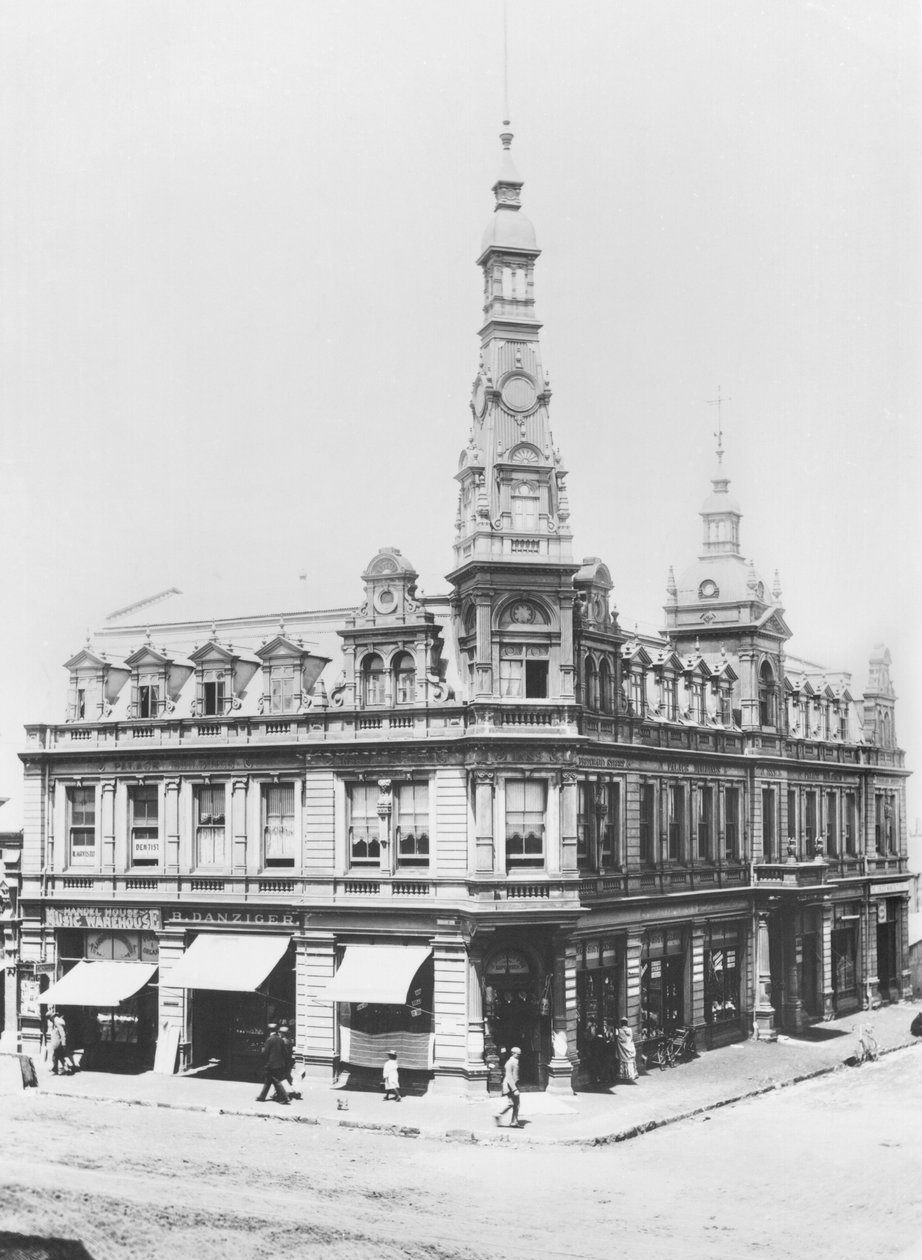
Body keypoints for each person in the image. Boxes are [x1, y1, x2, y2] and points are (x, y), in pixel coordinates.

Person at [255, 1022, 290, 1104]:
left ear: (269, 1030)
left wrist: (264, 1063)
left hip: (271, 1065)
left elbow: (265, 1053)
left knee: (276, 1080)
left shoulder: (269, 1039)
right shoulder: (280, 1040)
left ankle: (284, 1097)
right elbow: (285, 1053)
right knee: (268, 1080)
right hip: (279, 1064)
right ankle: (261, 1097)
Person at [495, 1046, 522, 1127]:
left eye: (520, 1054)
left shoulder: (516, 1061)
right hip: (509, 1086)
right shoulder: (509, 1063)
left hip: (514, 1085)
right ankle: (498, 1114)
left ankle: (514, 1122)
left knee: (516, 1104)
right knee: (512, 1103)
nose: (519, 1055)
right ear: (513, 1053)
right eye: (518, 1054)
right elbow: (509, 1077)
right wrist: (514, 1089)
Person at [50, 1011, 77, 1075]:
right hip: (58, 1043)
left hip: (58, 1043)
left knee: (56, 1056)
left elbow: (62, 1034)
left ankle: (65, 1068)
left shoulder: (57, 1022)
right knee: (59, 1056)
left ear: (51, 1017)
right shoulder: (57, 1021)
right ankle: (64, 1068)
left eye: (49, 1018)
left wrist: (63, 1044)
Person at [279, 1024, 301, 1100]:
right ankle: (296, 1092)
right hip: (288, 1062)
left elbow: (283, 1053)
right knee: (288, 1078)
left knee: (282, 1078)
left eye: (280, 1032)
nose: (279, 1033)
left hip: (284, 1062)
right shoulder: (289, 1041)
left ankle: (281, 1094)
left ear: (283, 1033)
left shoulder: (283, 1041)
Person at [615, 1018, 638, 1083]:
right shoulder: (630, 1030)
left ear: (621, 1023)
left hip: (623, 1049)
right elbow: (631, 1038)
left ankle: (624, 1075)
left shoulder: (619, 1030)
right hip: (630, 1047)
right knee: (630, 1061)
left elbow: (619, 1040)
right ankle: (631, 1074)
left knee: (624, 1061)